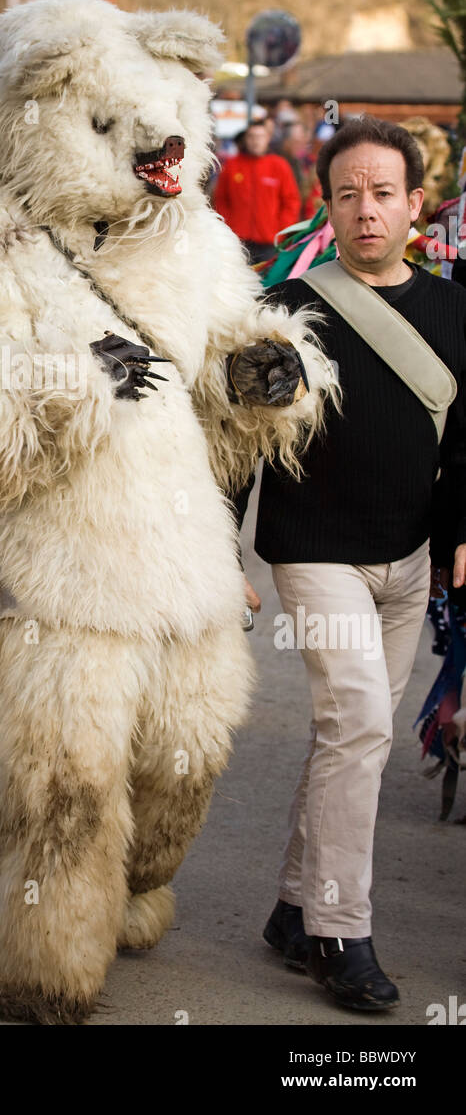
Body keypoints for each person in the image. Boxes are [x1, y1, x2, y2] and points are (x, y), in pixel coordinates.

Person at [234, 115, 466, 1011]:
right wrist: (224, 548)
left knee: (351, 737)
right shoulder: (287, 313)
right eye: (346, 196)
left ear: (415, 204)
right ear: (325, 207)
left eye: (382, 194)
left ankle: (293, 910)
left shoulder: (455, 312)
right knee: (363, 721)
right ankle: (340, 932)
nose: (365, 211)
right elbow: (238, 438)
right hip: (317, 552)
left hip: (410, 559)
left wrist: (459, 536)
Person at [213, 118, 302, 264]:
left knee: (268, 284)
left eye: (260, 137)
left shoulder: (279, 166)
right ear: (246, 139)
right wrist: (228, 227)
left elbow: (291, 201)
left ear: (267, 138)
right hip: (238, 241)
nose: (255, 141)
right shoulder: (232, 166)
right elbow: (221, 199)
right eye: (252, 136)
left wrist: (281, 231)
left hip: (270, 242)